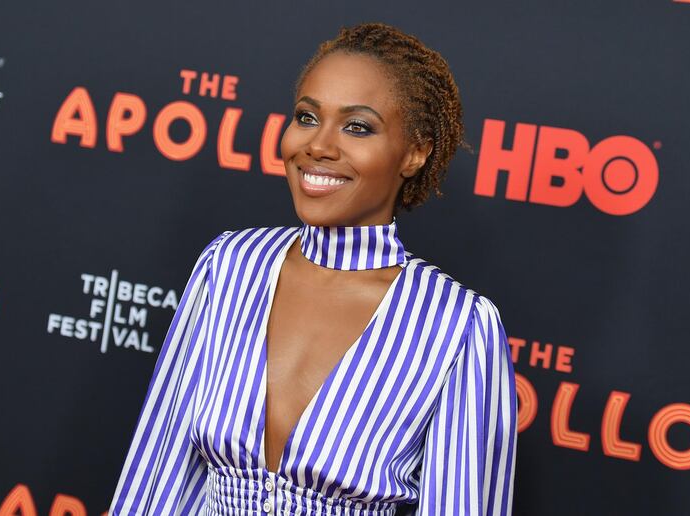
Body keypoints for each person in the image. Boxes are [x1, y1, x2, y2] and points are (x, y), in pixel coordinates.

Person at [109, 22, 516, 515]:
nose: (318, 146)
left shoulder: (456, 324)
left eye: (358, 126)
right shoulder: (230, 266)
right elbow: (158, 474)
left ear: (415, 152)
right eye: (306, 117)